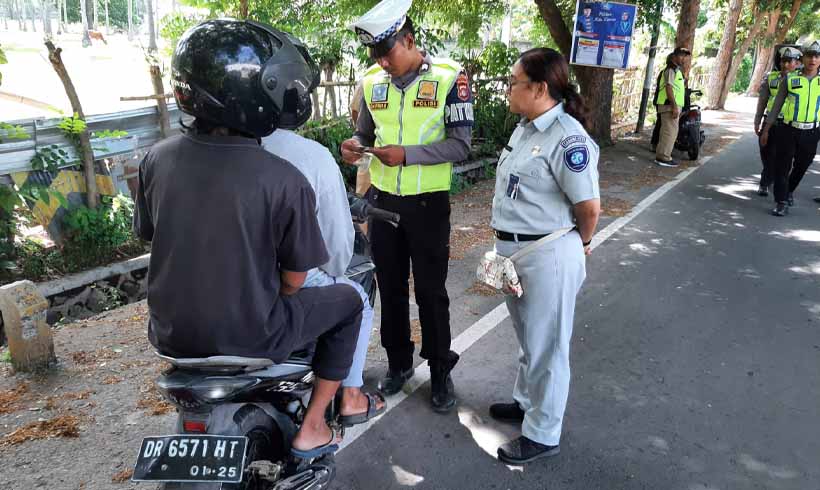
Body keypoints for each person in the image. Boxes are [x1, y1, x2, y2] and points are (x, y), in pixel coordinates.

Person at [133, 19, 363, 458]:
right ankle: (314, 425)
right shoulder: (284, 178)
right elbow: (295, 281)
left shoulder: (155, 160)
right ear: (258, 92)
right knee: (350, 302)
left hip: (170, 335)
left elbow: (152, 235)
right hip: (252, 335)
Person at [341, 0, 473, 413]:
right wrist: (353, 147)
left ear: (409, 40)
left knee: (432, 293)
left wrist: (409, 155)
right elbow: (363, 134)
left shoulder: (451, 78)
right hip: (381, 202)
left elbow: (461, 144)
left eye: (387, 52)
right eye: (375, 55)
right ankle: (398, 364)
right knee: (392, 289)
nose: (382, 62)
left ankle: (439, 371)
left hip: (428, 206)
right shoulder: (371, 81)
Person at [489, 48, 600, 465]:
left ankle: (543, 431)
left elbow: (588, 208)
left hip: (547, 252)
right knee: (526, 337)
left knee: (548, 346)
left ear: (538, 88)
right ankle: (526, 401)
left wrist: (580, 245)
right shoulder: (526, 129)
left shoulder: (567, 138)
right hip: (511, 249)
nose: (508, 89)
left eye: (513, 81)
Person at [262, 104, 385, 426]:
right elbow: (331, 249)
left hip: (182, 313)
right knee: (355, 300)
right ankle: (347, 399)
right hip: (273, 283)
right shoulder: (305, 156)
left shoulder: (172, 156)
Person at [760, 40, 820, 216]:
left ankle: (788, 191)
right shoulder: (791, 79)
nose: (813, 59)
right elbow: (776, 105)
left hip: (812, 131)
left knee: (803, 164)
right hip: (788, 129)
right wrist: (766, 129)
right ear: (803, 58)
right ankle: (781, 201)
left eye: (817, 56)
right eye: (810, 55)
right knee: (782, 166)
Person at [753, 46, 801, 197]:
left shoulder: (801, 80)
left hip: (787, 125)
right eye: (783, 61)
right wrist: (757, 120)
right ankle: (770, 177)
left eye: (789, 61)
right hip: (769, 122)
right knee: (766, 153)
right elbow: (762, 100)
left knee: (778, 156)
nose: (786, 65)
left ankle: (766, 183)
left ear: (797, 64)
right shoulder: (770, 77)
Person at [654, 47, 691, 167]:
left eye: (685, 56)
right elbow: (668, 88)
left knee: (669, 131)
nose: (683, 58)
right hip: (669, 105)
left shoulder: (676, 71)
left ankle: (662, 155)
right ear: (674, 56)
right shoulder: (671, 70)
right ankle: (663, 157)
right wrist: (674, 106)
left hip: (671, 106)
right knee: (670, 132)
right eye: (681, 55)